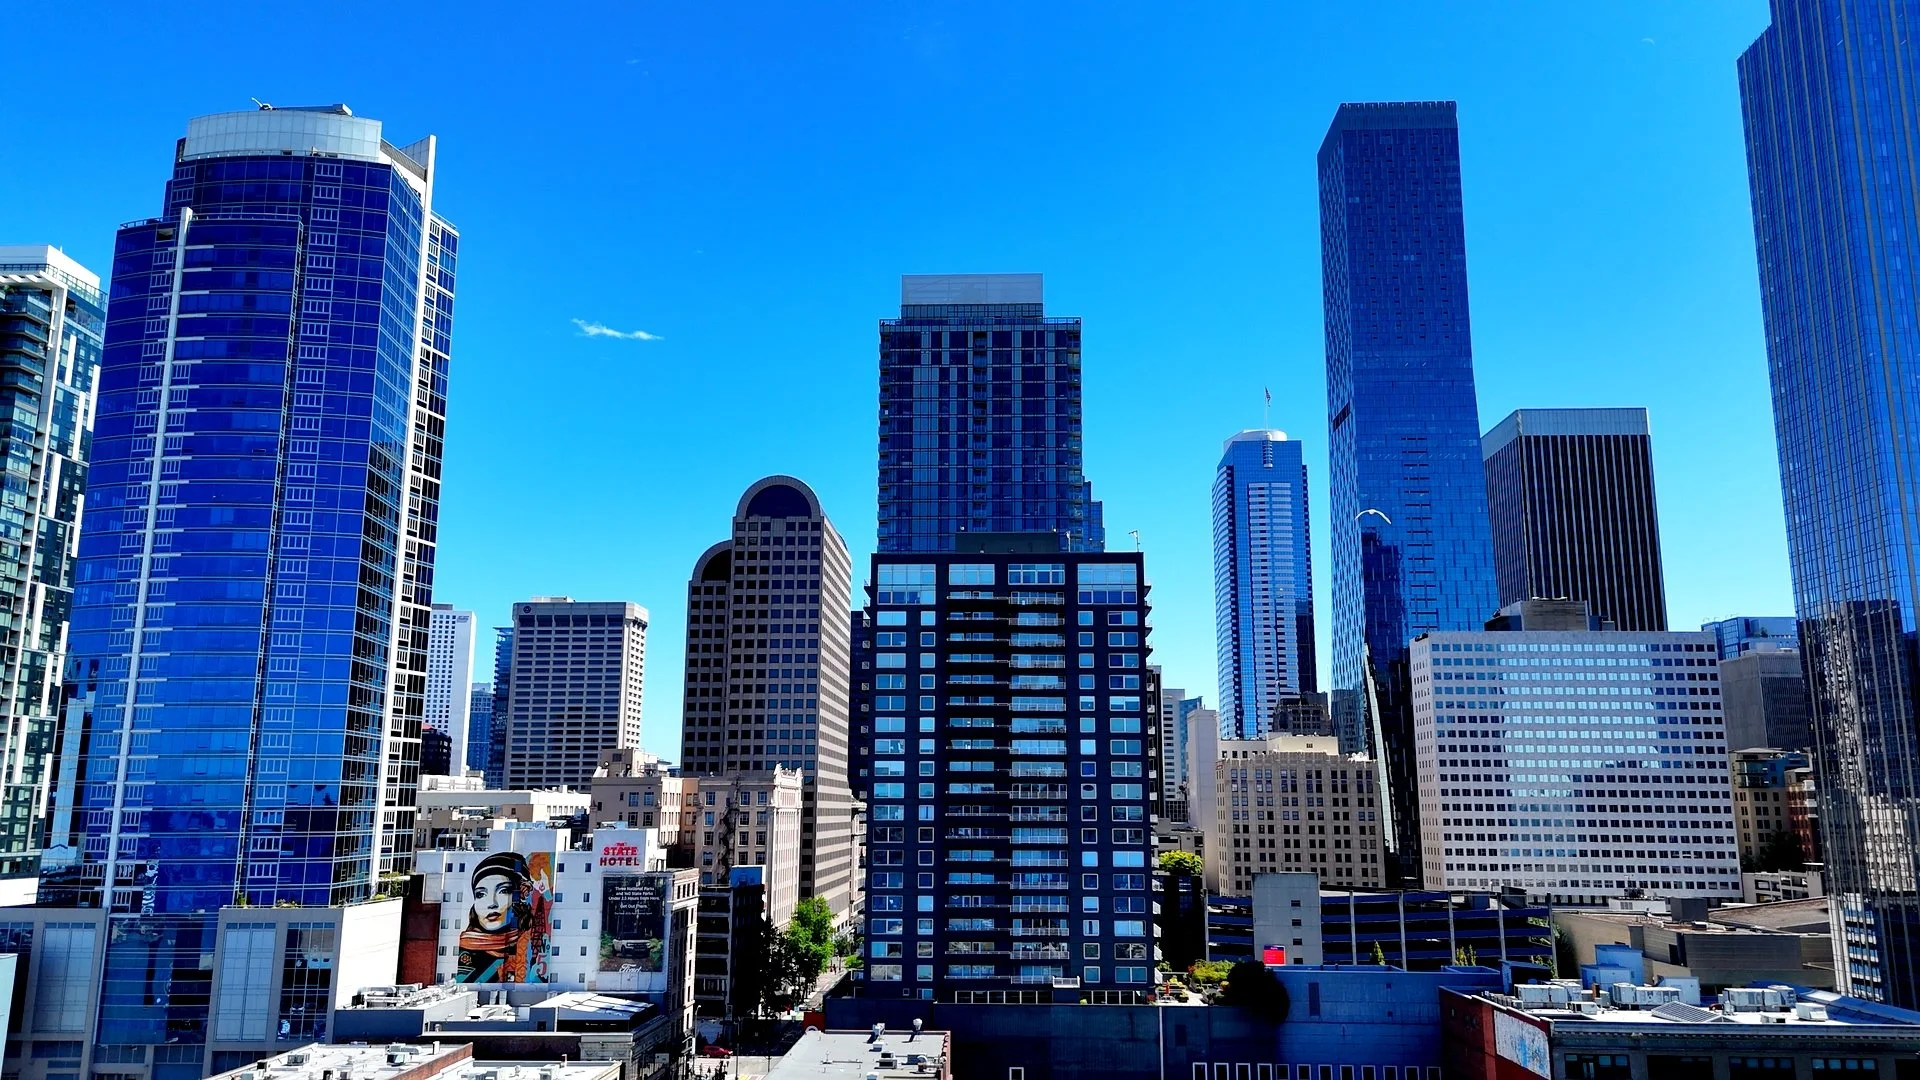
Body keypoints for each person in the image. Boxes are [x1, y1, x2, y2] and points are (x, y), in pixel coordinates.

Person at [456, 850, 551, 982]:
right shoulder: (467, 949)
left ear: (520, 896)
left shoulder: (530, 943)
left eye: (503, 891)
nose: (491, 904)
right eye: (480, 894)